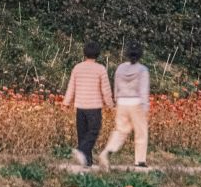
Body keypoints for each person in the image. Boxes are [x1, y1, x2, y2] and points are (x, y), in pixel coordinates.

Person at [63, 41, 113, 168]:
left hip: (80, 106)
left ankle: (87, 161)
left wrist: (66, 102)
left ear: (84, 53)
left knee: (83, 133)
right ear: (97, 54)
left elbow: (71, 87)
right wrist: (110, 104)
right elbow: (106, 89)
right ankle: (81, 150)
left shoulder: (77, 68)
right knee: (94, 131)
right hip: (94, 107)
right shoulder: (100, 69)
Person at [100, 42, 150, 170]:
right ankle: (140, 160)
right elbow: (143, 90)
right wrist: (145, 107)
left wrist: (116, 100)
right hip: (136, 103)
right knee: (141, 132)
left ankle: (108, 151)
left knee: (121, 130)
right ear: (140, 55)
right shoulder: (142, 70)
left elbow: (116, 86)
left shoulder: (120, 68)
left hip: (122, 102)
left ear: (127, 54)